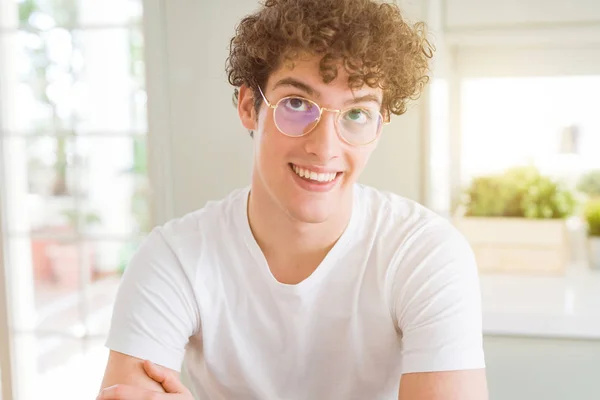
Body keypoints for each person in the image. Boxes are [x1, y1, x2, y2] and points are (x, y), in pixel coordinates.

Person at [97, 0, 489, 399]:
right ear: (250, 107)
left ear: (379, 126)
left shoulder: (424, 253)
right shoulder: (174, 259)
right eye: (297, 104)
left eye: (355, 114)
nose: (324, 148)